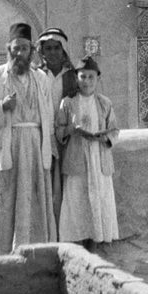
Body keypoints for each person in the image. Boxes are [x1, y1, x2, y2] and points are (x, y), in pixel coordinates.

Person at [0, 22, 56, 256]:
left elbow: (48, 116)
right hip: (7, 149)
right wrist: (1, 108)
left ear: (32, 51)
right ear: (8, 49)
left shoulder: (41, 79)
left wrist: (48, 148)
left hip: (35, 148)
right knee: (5, 204)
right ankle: (4, 257)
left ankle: (35, 255)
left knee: (35, 203)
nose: (19, 54)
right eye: (15, 48)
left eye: (24, 49)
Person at [55, 55, 120, 248]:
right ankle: (78, 244)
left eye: (91, 77)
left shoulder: (104, 103)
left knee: (99, 200)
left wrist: (104, 138)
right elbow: (58, 131)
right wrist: (70, 130)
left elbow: (115, 130)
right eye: (83, 77)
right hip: (77, 159)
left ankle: (95, 242)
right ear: (76, 78)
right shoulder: (67, 103)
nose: (87, 81)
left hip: (99, 158)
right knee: (77, 202)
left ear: (98, 79)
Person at [35, 27, 78, 230]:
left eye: (56, 48)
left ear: (63, 50)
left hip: (67, 139)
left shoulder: (74, 76)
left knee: (67, 186)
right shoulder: (36, 75)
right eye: (48, 48)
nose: (52, 52)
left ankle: (67, 230)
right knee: (46, 187)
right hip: (41, 137)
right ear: (42, 51)